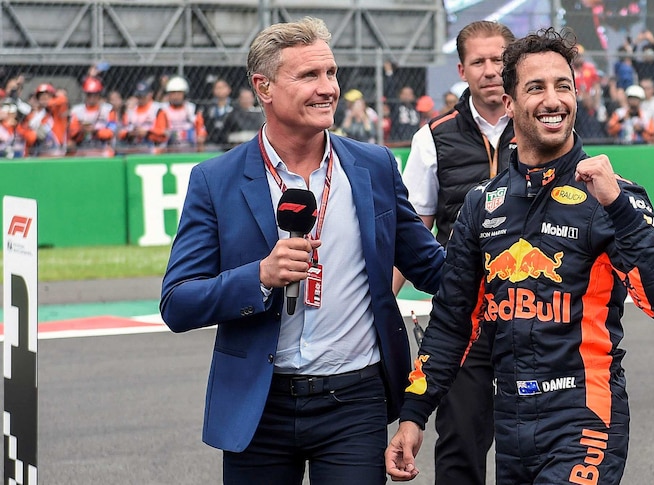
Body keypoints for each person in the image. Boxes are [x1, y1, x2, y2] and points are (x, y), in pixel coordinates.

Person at [386, 26, 654, 485]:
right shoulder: (481, 204)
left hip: (584, 418)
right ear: (509, 103)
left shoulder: (612, 196)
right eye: (536, 88)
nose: (553, 100)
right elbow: (452, 321)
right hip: (513, 421)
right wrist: (413, 415)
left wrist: (619, 208)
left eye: (563, 86)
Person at [160, 17, 444, 485]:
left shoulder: (374, 165)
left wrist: (500, 247)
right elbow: (177, 303)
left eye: (331, 73)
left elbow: (433, 268)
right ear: (263, 87)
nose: (327, 88)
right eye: (309, 76)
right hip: (259, 405)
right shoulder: (215, 180)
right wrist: (260, 276)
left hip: (355, 400)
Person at [398, 19, 516, 485]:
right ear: (462, 69)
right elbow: (411, 233)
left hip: (532, 313)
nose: (491, 70)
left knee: (530, 442)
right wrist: (383, 304)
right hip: (463, 315)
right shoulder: (432, 137)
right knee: (461, 440)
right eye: (479, 62)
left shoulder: (543, 123)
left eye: (499, 60)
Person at [68, 76, 117, 156]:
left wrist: (94, 131)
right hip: (83, 147)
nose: (92, 97)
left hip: (103, 148)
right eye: (89, 94)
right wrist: (81, 130)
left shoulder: (108, 110)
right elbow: (73, 133)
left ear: (99, 94)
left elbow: (111, 132)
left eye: (95, 94)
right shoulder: (76, 111)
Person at [116, 79, 167, 154]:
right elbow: (121, 132)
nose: (140, 98)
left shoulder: (157, 109)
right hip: (133, 144)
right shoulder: (131, 109)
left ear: (150, 94)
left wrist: (147, 133)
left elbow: (163, 133)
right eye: (138, 96)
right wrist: (130, 133)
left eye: (143, 96)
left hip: (152, 144)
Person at [20, 82, 69, 157]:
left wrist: (48, 103)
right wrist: (34, 134)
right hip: (38, 153)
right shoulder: (33, 116)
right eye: (41, 97)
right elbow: (26, 134)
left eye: (47, 96)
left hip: (57, 153)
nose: (44, 99)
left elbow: (63, 99)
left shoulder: (57, 112)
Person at [160, 76, 207, 152]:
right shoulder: (163, 109)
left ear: (184, 94)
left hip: (190, 144)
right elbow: (160, 130)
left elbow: (200, 127)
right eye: (173, 93)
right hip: (169, 144)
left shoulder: (192, 108)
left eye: (179, 93)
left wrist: (199, 135)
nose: (176, 96)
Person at [201, 77, 234, 149]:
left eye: (223, 87)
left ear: (229, 89)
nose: (220, 90)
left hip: (230, 141)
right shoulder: (208, 108)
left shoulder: (235, 107)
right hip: (212, 141)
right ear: (213, 90)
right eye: (218, 87)